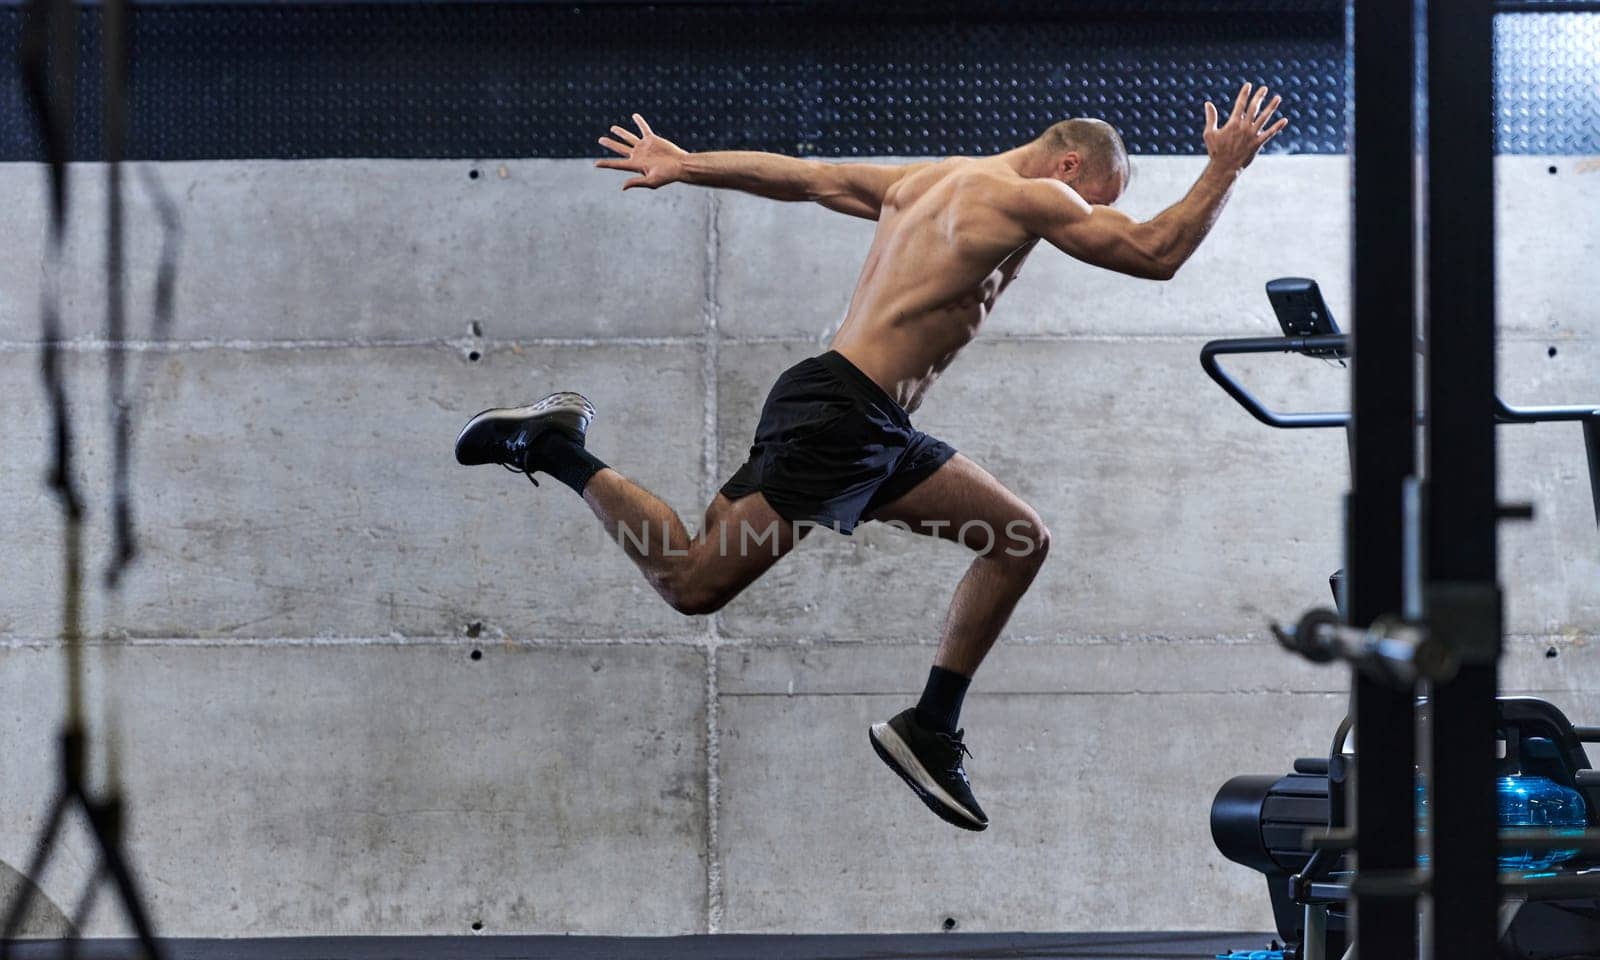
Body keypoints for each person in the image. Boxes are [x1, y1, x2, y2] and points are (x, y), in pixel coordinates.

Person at [455, 83, 1287, 832]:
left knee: (1018, 537)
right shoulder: (1028, 193)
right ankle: (556, 447)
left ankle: (931, 724)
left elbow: (807, 176)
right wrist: (1224, 170)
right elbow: (1154, 252)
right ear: (1069, 162)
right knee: (692, 580)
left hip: (862, 422)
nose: (1077, 217)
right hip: (841, 423)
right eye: (1087, 197)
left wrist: (688, 164)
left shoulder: (927, 181)